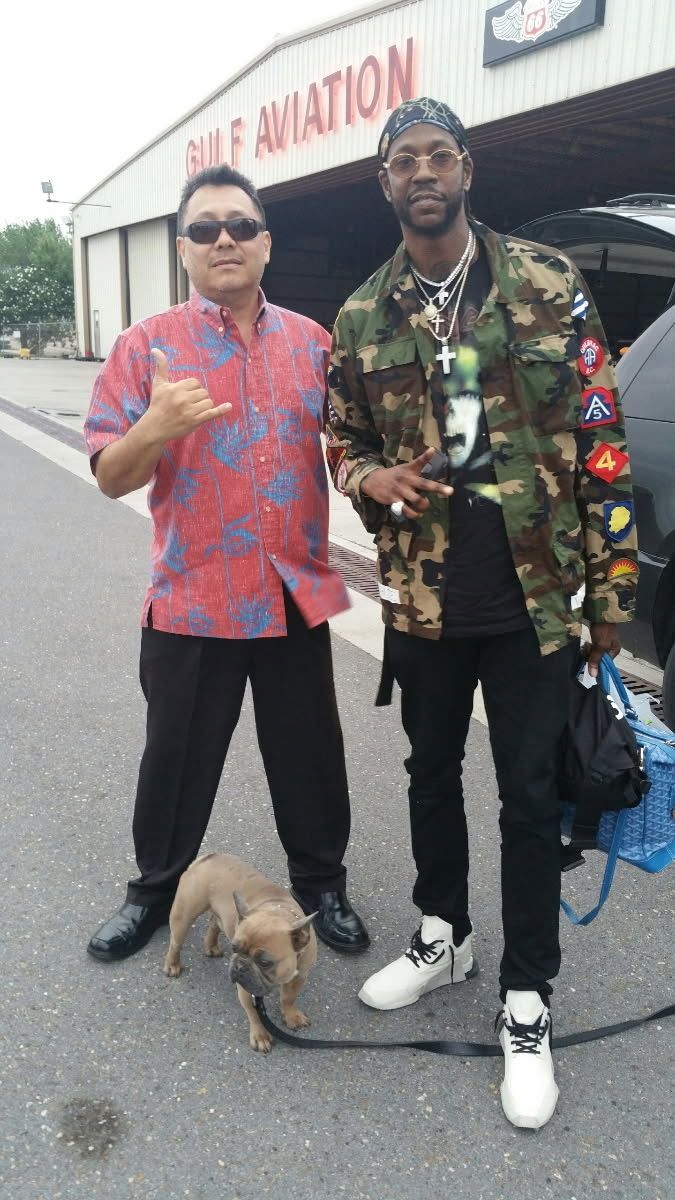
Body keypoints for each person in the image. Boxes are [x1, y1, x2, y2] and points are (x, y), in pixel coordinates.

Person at [326, 98, 638, 1129]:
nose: (422, 173)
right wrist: (369, 480)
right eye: (401, 161)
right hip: (422, 604)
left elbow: (602, 444)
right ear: (384, 184)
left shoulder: (549, 281)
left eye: (438, 156)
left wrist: (613, 600)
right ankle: (444, 933)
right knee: (427, 776)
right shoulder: (364, 315)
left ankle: (526, 998)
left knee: (529, 801)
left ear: (466, 169)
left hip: (535, 604)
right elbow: (342, 441)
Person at [84, 164, 369, 964]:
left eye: (240, 225)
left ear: (266, 243)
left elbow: (352, 451)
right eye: (205, 228)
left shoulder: (313, 344)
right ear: (184, 249)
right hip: (193, 598)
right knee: (174, 760)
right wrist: (156, 426)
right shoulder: (146, 349)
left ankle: (320, 886)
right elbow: (110, 475)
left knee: (310, 756)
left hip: (291, 592)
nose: (224, 240)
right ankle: (152, 892)